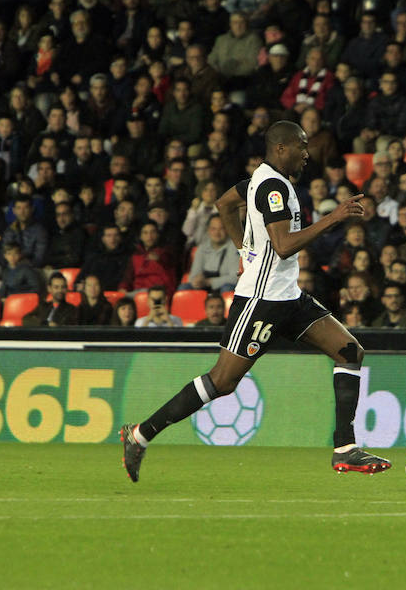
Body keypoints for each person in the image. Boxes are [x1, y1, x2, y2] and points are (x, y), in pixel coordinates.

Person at [120, 120, 391, 483]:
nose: (307, 153)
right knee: (221, 381)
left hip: (288, 296)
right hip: (261, 300)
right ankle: (139, 434)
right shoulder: (272, 189)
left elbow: (225, 203)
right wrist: (334, 217)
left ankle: (345, 449)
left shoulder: (260, 181)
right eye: (302, 146)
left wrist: (245, 250)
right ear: (281, 148)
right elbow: (284, 245)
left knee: (349, 350)